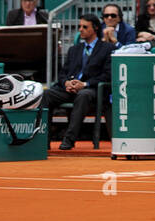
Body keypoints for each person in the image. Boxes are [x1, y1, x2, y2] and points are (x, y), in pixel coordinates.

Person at [41, 14, 113, 149]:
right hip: (70, 89)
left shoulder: (106, 49)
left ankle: (69, 139)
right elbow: (63, 73)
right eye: (80, 26)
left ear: (95, 28)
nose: (80, 29)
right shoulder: (74, 49)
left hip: (93, 90)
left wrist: (85, 84)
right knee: (47, 94)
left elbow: (107, 76)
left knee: (83, 95)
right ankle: (44, 140)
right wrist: (66, 83)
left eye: (85, 27)